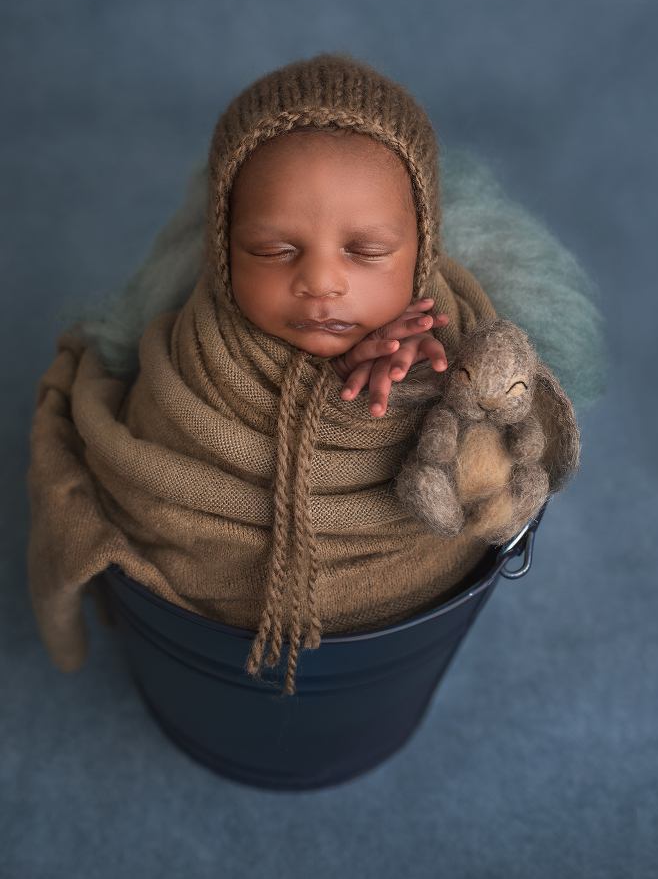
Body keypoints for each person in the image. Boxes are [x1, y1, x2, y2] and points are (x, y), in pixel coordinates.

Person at [28, 54, 499, 692]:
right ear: (222, 250)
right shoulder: (192, 360)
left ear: (422, 250)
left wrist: (406, 396)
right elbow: (155, 456)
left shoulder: (459, 350)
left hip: (401, 578)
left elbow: (494, 459)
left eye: (367, 252)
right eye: (273, 251)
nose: (321, 283)